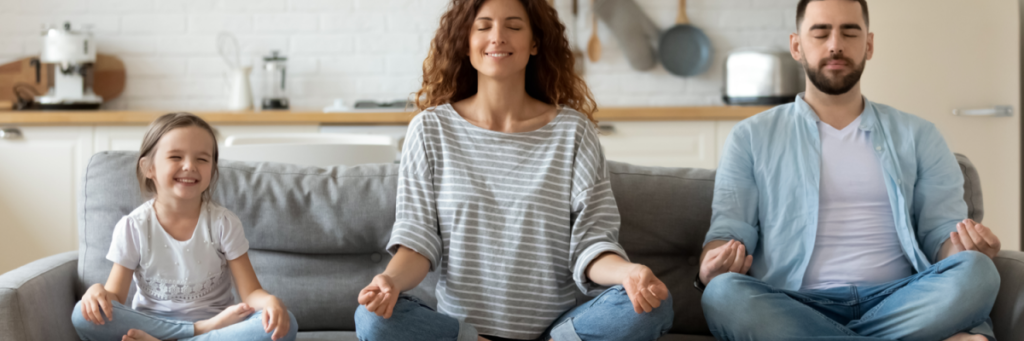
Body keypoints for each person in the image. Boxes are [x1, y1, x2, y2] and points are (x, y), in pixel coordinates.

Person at [352, 0, 673, 340]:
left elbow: (592, 243)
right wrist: (390, 281)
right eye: (484, 26)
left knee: (653, 305)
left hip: (555, 329)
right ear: (465, 40)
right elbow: (417, 242)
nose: (498, 36)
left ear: (534, 43)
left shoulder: (573, 132)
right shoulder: (430, 130)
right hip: (464, 333)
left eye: (514, 26)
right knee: (372, 319)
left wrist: (630, 272)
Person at [698, 1, 1001, 340]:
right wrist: (713, 263)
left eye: (849, 31)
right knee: (723, 295)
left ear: (868, 45)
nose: (835, 44)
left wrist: (964, 248)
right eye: (821, 32)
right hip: (793, 302)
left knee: (978, 272)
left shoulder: (920, 135)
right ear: (797, 46)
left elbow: (940, 233)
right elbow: (730, 229)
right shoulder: (750, 137)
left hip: (899, 298)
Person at [71, 112, 298, 341]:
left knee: (285, 324)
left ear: (213, 168)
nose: (189, 166)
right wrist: (96, 293)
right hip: (156, 326)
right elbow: (115, 296)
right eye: (176, 157)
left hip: (219, 329)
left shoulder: (224, 223)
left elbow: (250, 293)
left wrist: (269, 301)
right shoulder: (133, 226)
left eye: (202, 159)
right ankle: (198, 332)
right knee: (82, 314)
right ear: (148, 168)